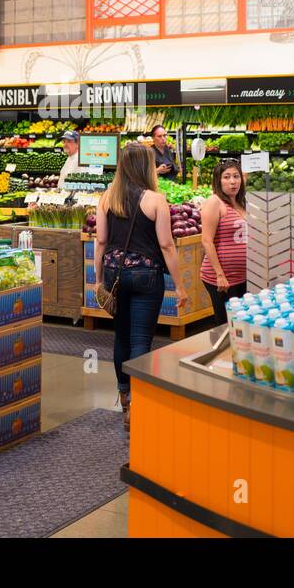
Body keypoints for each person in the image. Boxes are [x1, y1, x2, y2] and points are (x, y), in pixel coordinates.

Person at [94, 142, 187, 434]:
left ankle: (124, 398)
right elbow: (166, 245)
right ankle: (137, 404)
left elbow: (100, 241)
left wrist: (98, 279)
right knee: (141, 340)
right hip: (147, 274)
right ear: (147, 166)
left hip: (115, 274)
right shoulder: (156, 200)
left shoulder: (107, 197)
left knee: (121, 337)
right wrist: (181, 286)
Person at [200, 159, 247, 325]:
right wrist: (220, 274)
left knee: (241, 325)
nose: (233, 181)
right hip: (222, 279)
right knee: (226, 326)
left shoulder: (242, 203)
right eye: (226, 177)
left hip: (243, 277)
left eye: (236, 176)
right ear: (218, 181)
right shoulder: (215, 202)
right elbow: (206, 241)